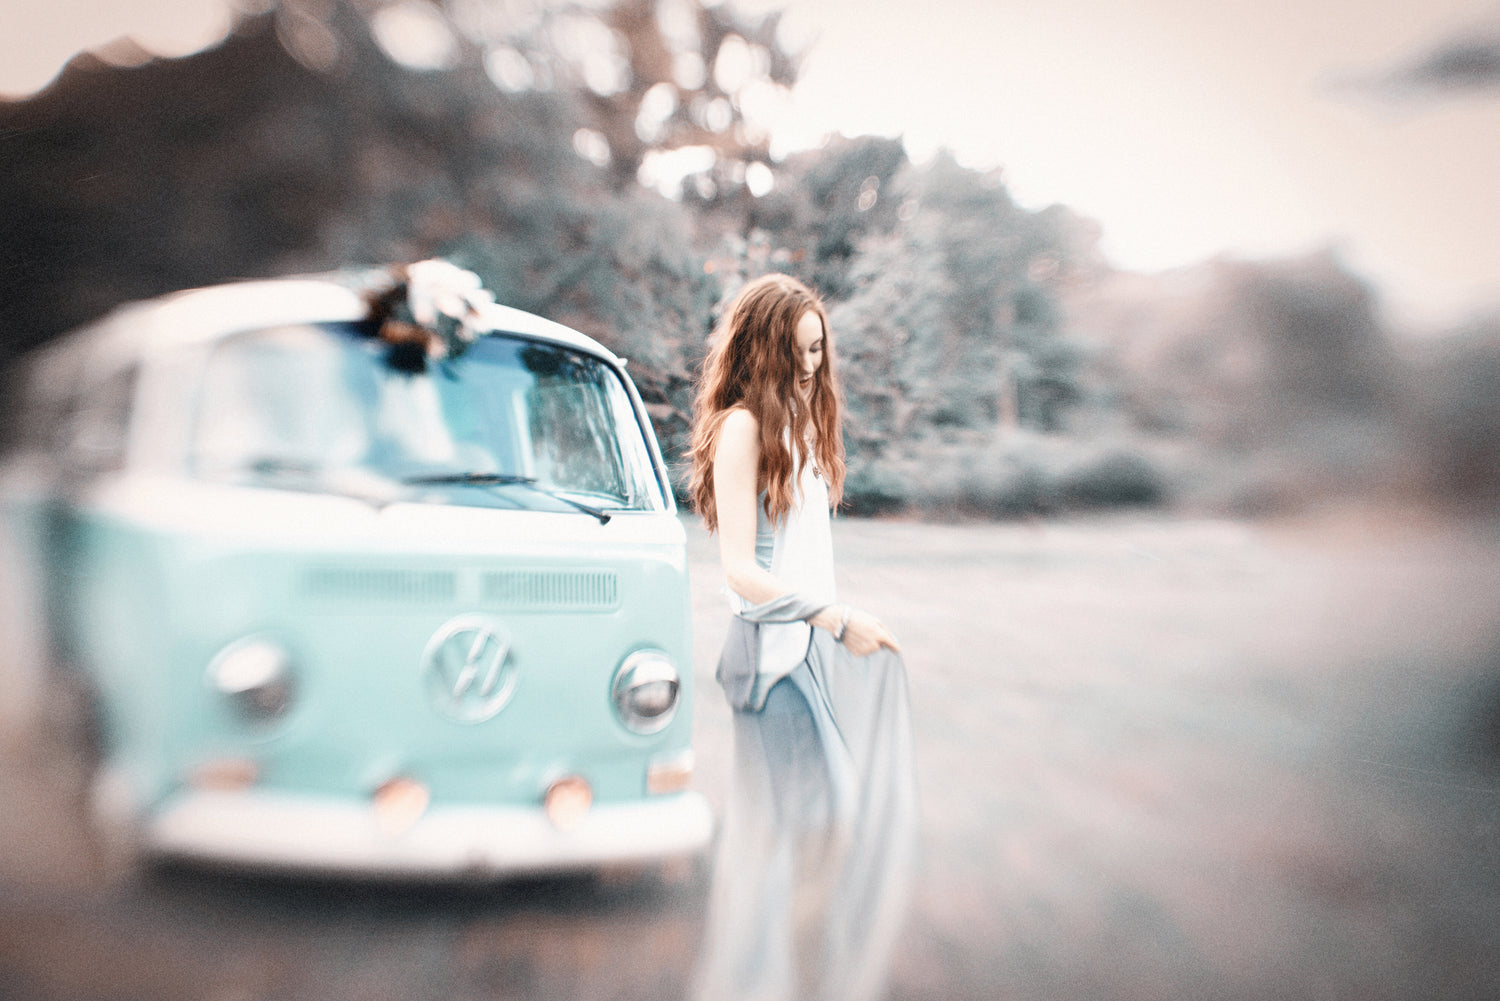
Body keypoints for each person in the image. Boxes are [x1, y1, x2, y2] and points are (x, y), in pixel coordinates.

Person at [688, 273, 918, 1001]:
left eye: (820, 349)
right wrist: (836, 616)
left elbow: (804, 556)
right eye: (798, 350)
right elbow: (738, 573)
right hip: (767, 663)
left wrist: (834, 626)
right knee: (810, 831)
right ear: (763, 348)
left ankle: (788, 974)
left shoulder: (798, 425)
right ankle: (772, 977)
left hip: (804, 659)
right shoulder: (742, 428)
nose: (813, 364)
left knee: (813, 833)